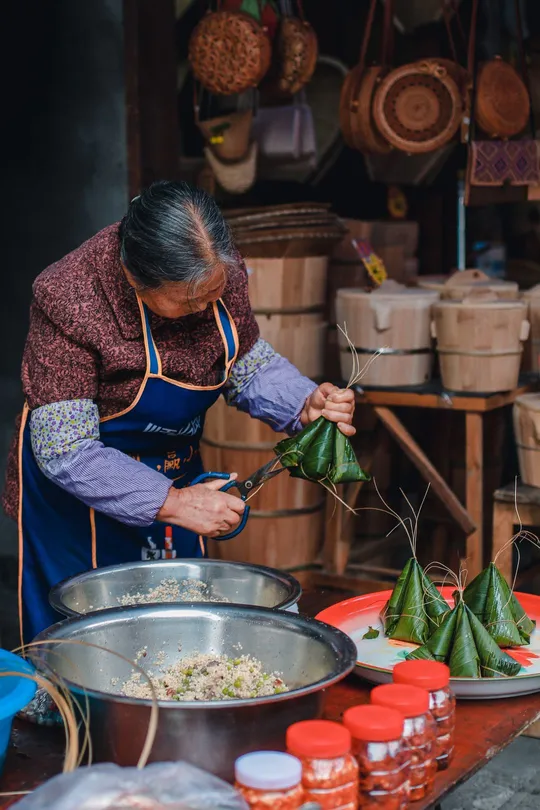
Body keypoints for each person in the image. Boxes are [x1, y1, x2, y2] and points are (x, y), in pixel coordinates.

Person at [3, 180, 355, 653]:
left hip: (173, 472)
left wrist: (301, 403)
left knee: (173, 636)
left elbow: (246, 362)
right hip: (76, 498)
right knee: (80, 645)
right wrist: (175, 504)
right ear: (135, 280)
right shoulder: (70, 296)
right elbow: (67, 450)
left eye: (215, 291)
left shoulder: (217, 273)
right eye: (191, 301)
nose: (209, 306)